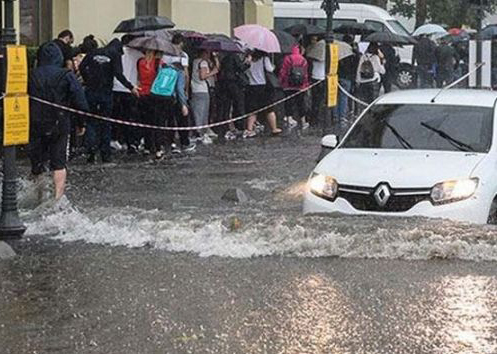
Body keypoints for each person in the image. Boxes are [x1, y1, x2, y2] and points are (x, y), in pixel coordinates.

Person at [29, 42, 89, 200]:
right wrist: (81, 123)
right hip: (59, 123)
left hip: (35, 123)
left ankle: (39, 196)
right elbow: (80, 101)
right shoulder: (66, 74)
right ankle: (57, 198)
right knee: (59, 162)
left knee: (38, 162)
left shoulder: (31, 74)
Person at [80, 38, 140, 164]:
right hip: (105, 93)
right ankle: (105, 154)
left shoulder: (93, 52)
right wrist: (131, 87)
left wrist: (87, 79)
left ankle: (91, 152)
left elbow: (81, 66)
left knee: (91, 122)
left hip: (91, 92)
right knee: (106, 123)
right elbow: (119, 74)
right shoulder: (115, 55)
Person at [112, 34, 143, 153]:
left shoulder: (116, 52)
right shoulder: (137, 54)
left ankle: (116, 139)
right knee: (130, 117)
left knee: (117, 116)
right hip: (130, 89)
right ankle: (131, 142)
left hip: (116, 87)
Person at [245, 50, 282, 137]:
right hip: (264, 86)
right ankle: (274, 128)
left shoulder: (248, 59)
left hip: (251, 86)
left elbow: (245, 71)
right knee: (269, 108)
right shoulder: (265, 59)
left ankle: (249, 130)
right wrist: (273, 65)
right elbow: (270, 69)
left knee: (252, 110)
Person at [217, 49, 251, 141]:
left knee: (226, 107)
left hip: (224, 84)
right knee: (239, 105)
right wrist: (247, 63)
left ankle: (225, 127)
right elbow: (241, 68)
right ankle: (241, 126)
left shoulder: (224, 59)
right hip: (234, 84)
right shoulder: (234, 57)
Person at [137, 50, 165, 159]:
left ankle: (147, 147)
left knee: (146, 122)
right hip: (155, 94)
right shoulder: (158, 62)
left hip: (143, 94)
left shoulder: (140, 62)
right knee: (157, 123)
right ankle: (158, 148)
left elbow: (139, 78)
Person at [191, 49, 219, 144]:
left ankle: (201, 132)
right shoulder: (203, 63)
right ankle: (200, 133)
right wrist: (213, 72)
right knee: (202, 112)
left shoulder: (195, 61)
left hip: (195, 89)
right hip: (202, 89)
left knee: (198, 111)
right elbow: (202, 76)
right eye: (208, 53)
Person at [278, 44, 309, 131]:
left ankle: (289, 119)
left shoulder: (287, 58)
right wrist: (306, 85)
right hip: (300, 86)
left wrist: (281, 82)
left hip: (288, 85)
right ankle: (303, 120)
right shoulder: (303, 60)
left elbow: (283, 72)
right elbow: (305, 74)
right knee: (301, 103)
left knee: (288, 103)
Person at [334, 35, 358, 132]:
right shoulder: (351, 53)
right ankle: (342, 116)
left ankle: (335, 115)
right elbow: (354, 67)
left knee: (335, 97)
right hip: (347, 78)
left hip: (337, 76)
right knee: (343, 97)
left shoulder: (338, 50)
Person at [306, 35, 326, 127]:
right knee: (319, 100)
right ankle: (317, 118)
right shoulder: (326, 56)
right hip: (321, 79)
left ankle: (313, 118)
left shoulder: (313, 54)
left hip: (315, 78)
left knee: (315, 100)